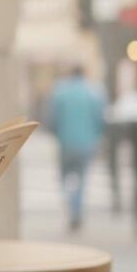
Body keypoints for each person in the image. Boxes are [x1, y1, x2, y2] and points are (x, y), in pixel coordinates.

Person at [47, 65, 106, 231]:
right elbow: (100, 119)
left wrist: (57, 133)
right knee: (82, 178)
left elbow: (52, 118)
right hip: (87, 143)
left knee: (65, 178)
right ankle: (76, 211)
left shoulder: (60, 91)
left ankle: (71, 208)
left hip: (66, 142)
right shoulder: (94, 92)